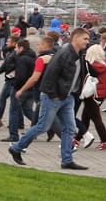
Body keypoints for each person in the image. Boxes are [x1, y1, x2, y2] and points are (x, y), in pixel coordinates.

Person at [9, 27, 92, 170]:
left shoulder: (80, 54)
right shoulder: (64, 53)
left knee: (70, 128)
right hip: (54, 96)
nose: (87, 41)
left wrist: (75, 92)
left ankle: (67, 160)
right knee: (43, 126)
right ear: (75, 38)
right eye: (85, 38)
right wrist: (52, 94)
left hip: (67, 96)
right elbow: (50, 75)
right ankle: (17, 147)